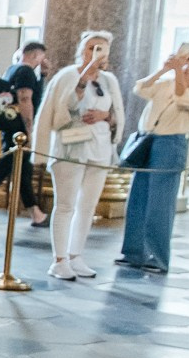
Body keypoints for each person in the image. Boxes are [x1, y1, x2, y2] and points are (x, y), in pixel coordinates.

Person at [37, 29, 125, 279]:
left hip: (99, 149)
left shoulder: (109, 80)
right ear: (81, 50)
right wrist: (83, 80)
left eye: (101, 48)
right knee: (65, 205)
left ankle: (76, 255)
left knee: (88, 205)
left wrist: (106, 116)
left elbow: (117, 112)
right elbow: (61, 111)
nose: (96, 53)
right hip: (71, 148)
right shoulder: (68, 76)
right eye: (91, 47)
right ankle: (59, 259)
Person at [116, 48, 189, 272]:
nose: (187, 67)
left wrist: (177, 73)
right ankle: (133, 252)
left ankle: (157, 257)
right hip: (147, 140)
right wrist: (163, 70)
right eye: (187, 62)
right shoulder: (166, 83)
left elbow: (182, 97)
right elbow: (140, 88)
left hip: (170, 145)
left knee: (160, 203)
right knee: (137, 198)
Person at [0, 42, 50, 229]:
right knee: (5, 168)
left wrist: (43, 76)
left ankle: (35, 213)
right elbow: (25, 99)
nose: (42, 61)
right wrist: (30, 131)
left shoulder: (13, 70)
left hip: (11, 126)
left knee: (21, 170)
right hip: (18, 130)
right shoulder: (26, 72)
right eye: (41, 57)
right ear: (35, 55)